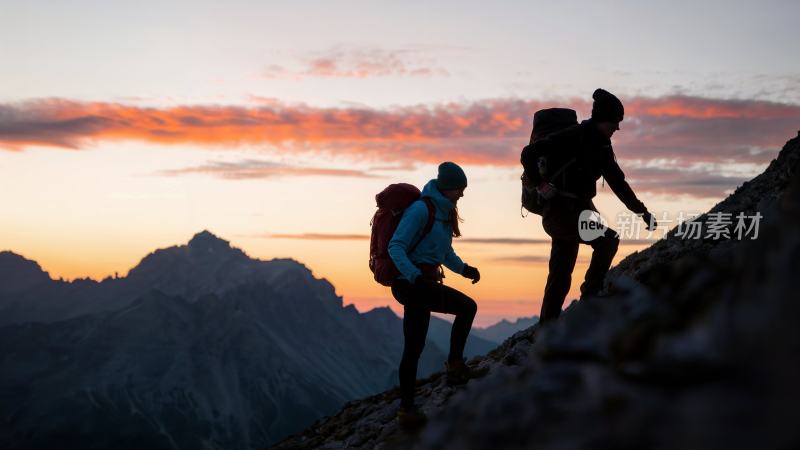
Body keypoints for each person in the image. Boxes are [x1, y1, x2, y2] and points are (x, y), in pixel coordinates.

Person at [522, 89, 657, 324]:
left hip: (576, 212)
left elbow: (619, 183)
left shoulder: (602, 147)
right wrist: (541, 185)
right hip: (558, 212)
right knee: (607, 240)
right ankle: (590, 299)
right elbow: (528, 153)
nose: (617, 128)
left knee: (560, 273)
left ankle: (547, 326)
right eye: (614, 122)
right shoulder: (572, 136)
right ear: (601, 119)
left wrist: (642, 212)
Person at [388, 161, 483, 428]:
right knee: (465, 309)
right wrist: (414, 276)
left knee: (415, 345)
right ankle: (453, 369)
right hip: (411, 284)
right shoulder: (421, 210)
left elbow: (443, 253)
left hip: (422, 283)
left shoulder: (443, 212)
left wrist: (464, 269)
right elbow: (396, 246)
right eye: (460, 189)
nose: (462, 194)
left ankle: (408, 409)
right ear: (448, 187)